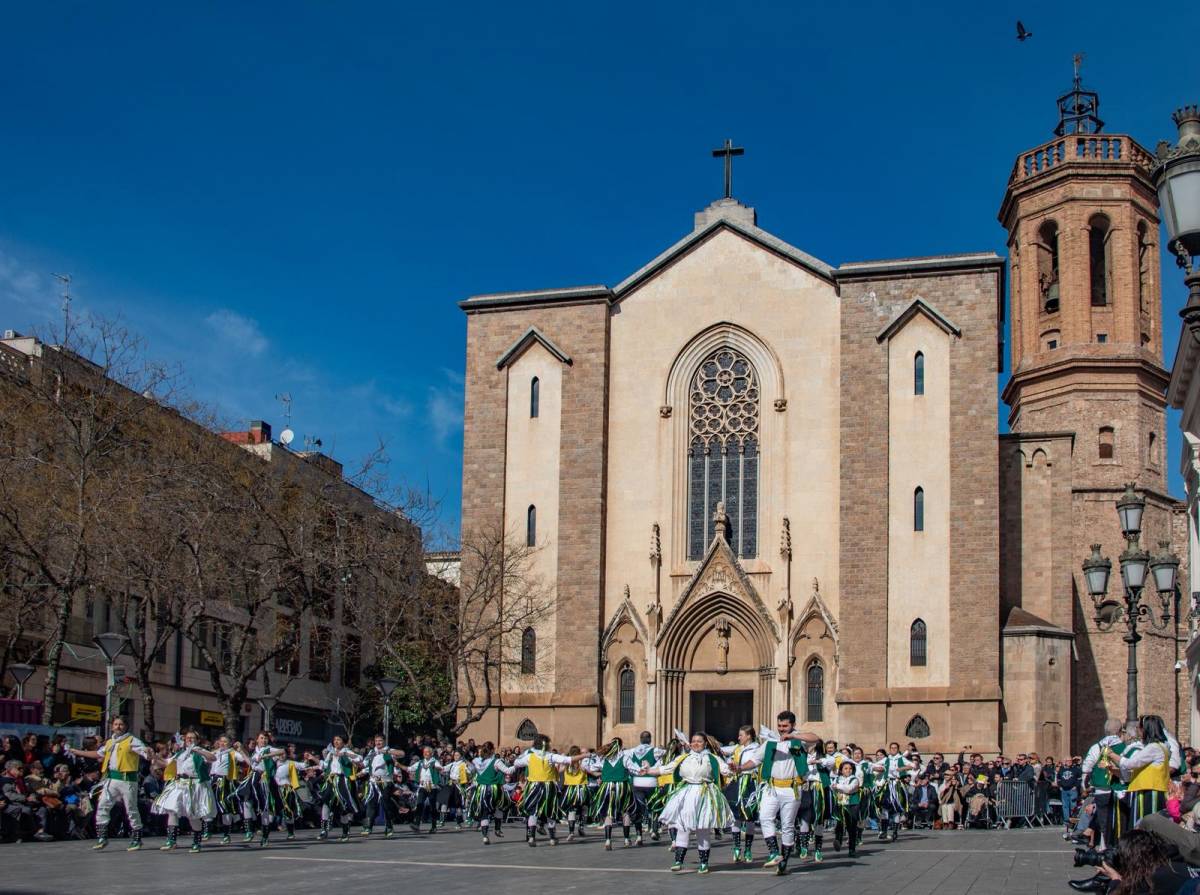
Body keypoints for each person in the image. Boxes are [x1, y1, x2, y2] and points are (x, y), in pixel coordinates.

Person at [737, 710, 820, 875]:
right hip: (772, 786)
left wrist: (794, 737)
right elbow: (755, 760)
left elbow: (815, 738)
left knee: (788, 825)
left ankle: (784, 862)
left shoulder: (799, 740)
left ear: (793, 725)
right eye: (780, 726)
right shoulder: (771, 741)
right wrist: (739, 767)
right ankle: (774, 852)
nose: (782, 729)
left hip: (792, 788)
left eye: (785, 726)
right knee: (765, 817)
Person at [642, 732, 733, 875]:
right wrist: (648, 770)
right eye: (693, 741)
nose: (696, 743)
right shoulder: (683, 758)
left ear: (705, 743)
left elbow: (726, 770)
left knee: (702, 828)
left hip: (705, 793)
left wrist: (732, 769)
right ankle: (678, 861)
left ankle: (703, 863)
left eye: (699, 741)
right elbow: (666, 768)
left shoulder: (712, 758)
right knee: (683, 826)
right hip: (687, 792)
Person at [67, 717, 152, 851]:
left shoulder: (132, 740)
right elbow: (98, 754)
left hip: (127, 780)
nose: (118, 726)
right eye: (116, 724)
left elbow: (144, 751)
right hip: (111, 779)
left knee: (131, 809)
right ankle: (102, 838)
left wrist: (148, 752)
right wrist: (77, 752)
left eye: (121, 724)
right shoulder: (110, 742)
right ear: (112, 727)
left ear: (126, 726)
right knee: (102, 806)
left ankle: (137, 838)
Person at [151, 729, 218, 853]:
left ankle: (196, 841)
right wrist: (154, 757)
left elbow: (213, 758)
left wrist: (198, 750)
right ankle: (171, 840)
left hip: (194, 785)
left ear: (197, 740)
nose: (190, 740)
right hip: (179, 783)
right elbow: (166, 763)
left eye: (193, 738)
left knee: (192, 815)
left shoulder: (200, 752)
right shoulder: (180, 753)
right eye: (188, 738)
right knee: (172, 809)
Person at [511, 734, 583, 846]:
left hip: (534, 786)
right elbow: (566, 760)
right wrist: (584, 755)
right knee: (551, 812)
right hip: (548, 787)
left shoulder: (530, 757)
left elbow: (516, 763)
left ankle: (532, 837)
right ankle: (552, 838)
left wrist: (524, 754)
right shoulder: (550, 756)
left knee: (533, 812)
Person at [1083, 718, 1130, 851]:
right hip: (1120, 789)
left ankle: (1104, 848)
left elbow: (1086, 767)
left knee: (1104, 821)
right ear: (1120, 731)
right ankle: (1117, 848)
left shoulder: (1097, 747)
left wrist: (1084, 786)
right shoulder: (1124, 747)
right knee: (1119, 821)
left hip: (1101, 789)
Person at [1120, 715, 1173, 828]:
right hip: (1153, 790)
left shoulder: (1154, 747)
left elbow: (1131, 763)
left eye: (1139, 728)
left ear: (1147, 729)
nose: (1138, 731)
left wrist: (1113, 755)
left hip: (1149, 791)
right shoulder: (1162, 746)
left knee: (1145, 825)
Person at [237, 732, 286, 847]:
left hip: (264, 779)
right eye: (261, 738)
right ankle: (249, 830)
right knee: (246, 801)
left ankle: (265, 836)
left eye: (265, 738)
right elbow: (251, 763)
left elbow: (282, 751)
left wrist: (266, 756)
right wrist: (241, 752)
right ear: (257, 740)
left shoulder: (269, 749)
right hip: (254, 776)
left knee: (264, 808)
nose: (264, 740)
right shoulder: (255, 751)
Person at [720, 725, 760, 864]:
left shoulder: (757, 749)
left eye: (741, 735)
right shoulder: (738, 748)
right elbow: (722, 750)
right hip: (737, 782)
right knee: (735, 814)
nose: (738, 737)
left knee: (749, 817)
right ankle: (736, 847)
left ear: (749, 736)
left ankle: (748, 849)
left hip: (750, 783)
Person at [591, 737, 637, 850]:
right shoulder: (625, 757)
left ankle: (607, 840)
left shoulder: (604, 758)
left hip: (607, 786)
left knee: (608, 812)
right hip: (622, 786)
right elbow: (635, 769)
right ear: (621, 746)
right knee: (625, 811)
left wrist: (602, 775)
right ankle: (626, 839)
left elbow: (591, 767)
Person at [468, 741, 513, 844]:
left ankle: (485, 836)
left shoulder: (476, 761)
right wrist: (516, 766)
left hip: (481, 789)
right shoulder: (496, 761)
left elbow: (469, 771)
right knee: (500, 806)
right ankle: (497, 829)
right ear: (492, 750)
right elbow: (508, 771)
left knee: (484, 811)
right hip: (494, 789)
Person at [361, 735, 405, 838]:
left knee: (385, 804)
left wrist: (388, 752)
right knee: (371, 804)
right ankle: (368, 827)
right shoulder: (372, 752)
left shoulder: (389, 750)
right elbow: (363, 764)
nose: (378, 742)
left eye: (380, 740)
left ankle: (389, 826)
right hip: (373, 782)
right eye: (376, 740)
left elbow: (402, 753)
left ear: (384, 741)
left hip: (385, 782)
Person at [207, 734, 248, 844]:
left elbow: (244, 759)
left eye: (225, 742)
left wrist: (241, 749)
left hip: (224, 780)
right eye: (221, 741)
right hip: (213, 779)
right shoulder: (215, 752)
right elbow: (205, 758)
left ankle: (226, 834)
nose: (223, 743)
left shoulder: (232, 753)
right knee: (209, 803)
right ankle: (208, 830)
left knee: (223, 805)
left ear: (229, 743)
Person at [871, 742, 913, 841]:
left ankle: (894, 831)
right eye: (892, 748)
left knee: (897, 807)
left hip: (897, 785)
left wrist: (902, 768)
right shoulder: (886, 759)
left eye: (895, 748)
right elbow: (874, 765)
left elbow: (913, 765)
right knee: (884, 805)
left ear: (898, 749)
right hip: (887, 784)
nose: (893, 749)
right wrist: (879, 769)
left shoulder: (901, 758)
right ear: (889, 749)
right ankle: (884, 831)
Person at [627, 731, 663, 844]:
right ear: (650, 739)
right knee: (654, 807)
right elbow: (665, 757)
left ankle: (639, 836)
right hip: (651, 782)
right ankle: (654, 829)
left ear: (640, 739)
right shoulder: (655, 750)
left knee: (638, 809)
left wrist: (635, 772)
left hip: (637, 783)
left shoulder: (631, 751)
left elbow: (628, 765)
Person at [407, 745, 444, 835]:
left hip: (432, 787)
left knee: (432, 807)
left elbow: (440, 768)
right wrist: (398, 765)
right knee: (419, 804)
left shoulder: (435, 762)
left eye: (427, 752)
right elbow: (410, 768)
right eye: (424, 752)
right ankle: (416, 824)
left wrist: (439, 769)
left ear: (431, 753)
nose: (425, 753)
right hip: (422, 787)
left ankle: (434, 826)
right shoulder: (420, 762)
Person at [831, 759, 861, 857]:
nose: (848, 770)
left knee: (851, 826)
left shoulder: (855, 779)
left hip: (852, 805)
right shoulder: (837, 778)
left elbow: (849, 789)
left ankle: (852, 849)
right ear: (841, 770)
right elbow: (832, 787)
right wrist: (838, 786)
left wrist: (838, 786)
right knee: (839, 824)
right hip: (840, 804)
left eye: (850, 768)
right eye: (845, 768)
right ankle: (838, 841)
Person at [560, 745, 590, 842]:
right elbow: (588, 770)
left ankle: (571, 832)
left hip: (569, 789)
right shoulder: (582, 762)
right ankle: (581, 827)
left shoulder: (566, 763)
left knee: (571, 810)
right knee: (584, 808)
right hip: (581, 788)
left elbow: (559, 770)